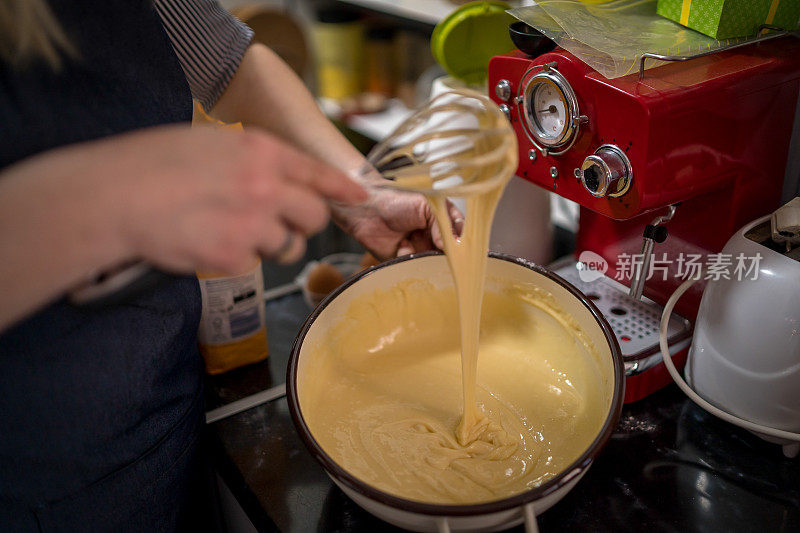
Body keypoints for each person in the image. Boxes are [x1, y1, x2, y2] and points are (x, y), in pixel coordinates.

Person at [0, 0, 458, 529]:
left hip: (165, 397)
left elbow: (228, 63)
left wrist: (361, 194)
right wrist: (111, 200)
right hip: (36, 467)